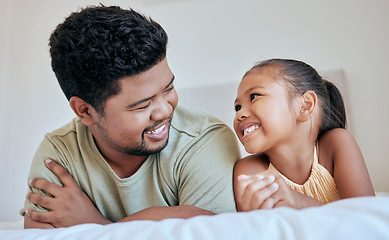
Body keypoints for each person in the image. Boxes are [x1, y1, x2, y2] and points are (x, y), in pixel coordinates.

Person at [21, 5, 241, 228]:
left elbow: (211, 231)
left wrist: (96, 226)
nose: (164, 110)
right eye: (142, 105)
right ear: (85, 111)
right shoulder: (60, 155)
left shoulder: (205, 141)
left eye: (168, 88)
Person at [233, 58, 375, 211]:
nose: (240, 113)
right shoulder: (249, 171)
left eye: (254, 96)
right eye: (237, 107)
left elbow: (365, 218)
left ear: (305, 106)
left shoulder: (336, 143)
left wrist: (299, 203)